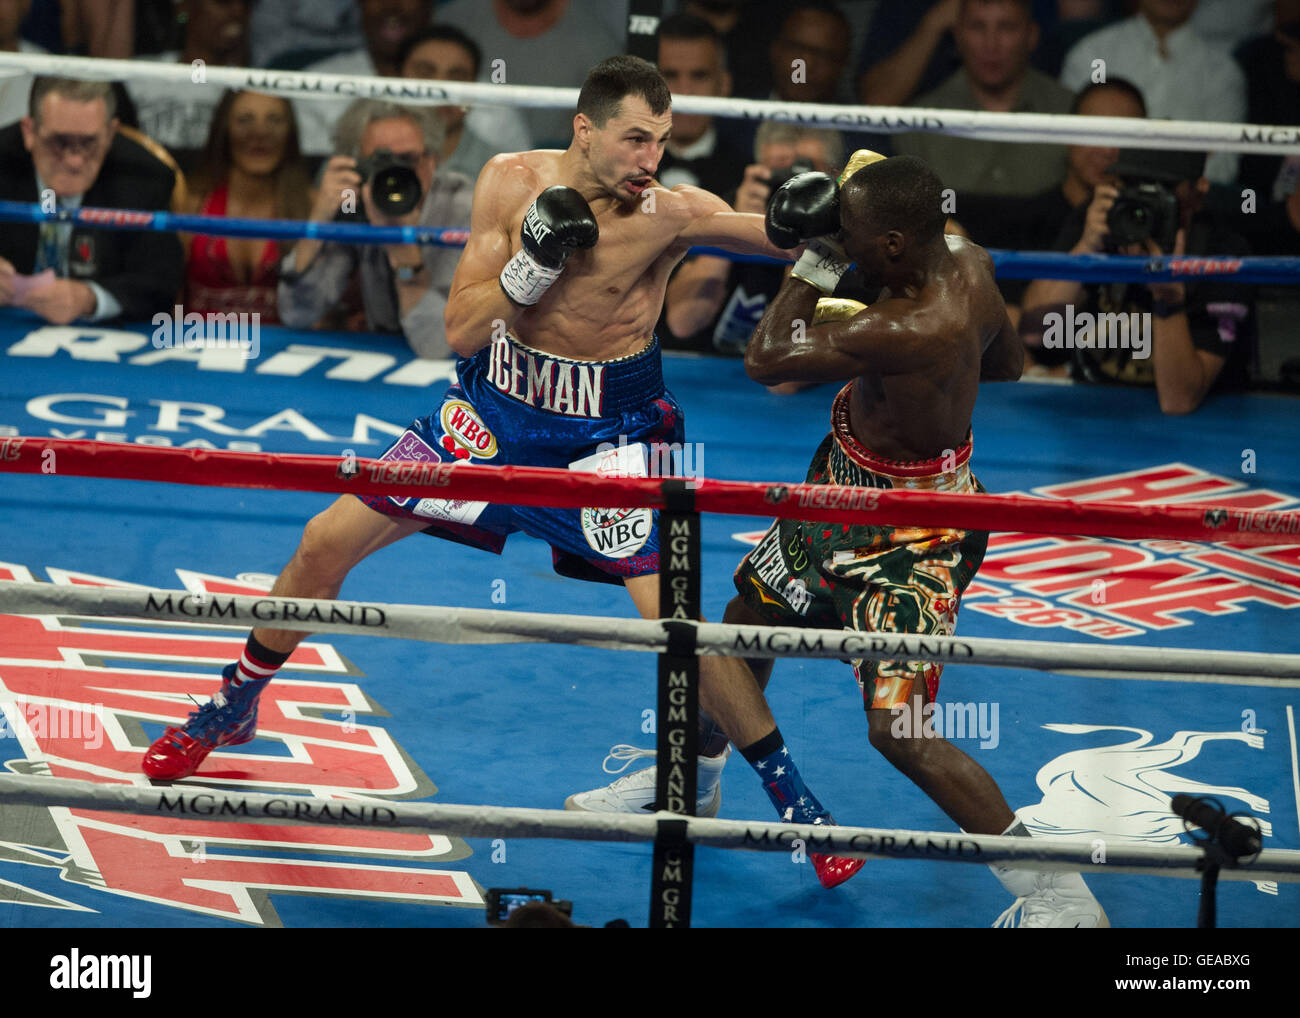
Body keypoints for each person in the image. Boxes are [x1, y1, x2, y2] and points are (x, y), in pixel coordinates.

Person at [141, 55, 863, 888]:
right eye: (635, 138)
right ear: (585, 130)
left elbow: (801, 242)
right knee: (321, 543)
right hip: (491, 417)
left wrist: (829, 221)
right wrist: (535, 264)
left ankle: (800, 805)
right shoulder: (507, 182)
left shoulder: (672, 212)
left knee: (681, 630)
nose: (649, 160)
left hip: (613, 433)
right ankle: (234, 701)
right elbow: (458, 327)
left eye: (661, 141)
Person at [582, 151, 1108, 926]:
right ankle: (692, 778)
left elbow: (766, 360)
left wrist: (816, 262)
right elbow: (1009, 364)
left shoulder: (909, 324)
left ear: (892, 243)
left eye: (850, 233)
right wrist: (917, 394)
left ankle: (1057, 889)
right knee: (745, 626)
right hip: (842, 485)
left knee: (900, 732)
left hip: (911, 536)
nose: (839, 238)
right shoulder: (969, 261)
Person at [1018, 148, 1254, 412]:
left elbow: (1178, 401)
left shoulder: (1221, 253)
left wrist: (1168, 299)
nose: (1144, 197)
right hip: (1091, 408)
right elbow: (1034, 333)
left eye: (1164, 187)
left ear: (1198, 192)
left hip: (1190, 430)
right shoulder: (1101, 220)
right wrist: (1086, 249)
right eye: (1130, 183)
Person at [275, 99, 471, 357]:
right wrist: (318, 224)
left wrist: (402, 249)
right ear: (355, 164)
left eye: (407, 159)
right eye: (381, 161)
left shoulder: (465, 208)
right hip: (380, 362)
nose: (394, 174)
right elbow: (298, 313)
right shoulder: (353, 203)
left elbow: (438, 345)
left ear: (431, 161)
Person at [0, 76, 182, 324]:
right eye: (59, 142)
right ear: (29, 131)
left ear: (110, 134)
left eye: (89, 143)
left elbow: (159, 284)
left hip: (101, 342)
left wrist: (90, 299)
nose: (74, 161)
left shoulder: (143, 176)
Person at [1059, 0, 1246, 185]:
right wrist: (1186, 158)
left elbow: (1223, 166)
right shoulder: (1091, 54)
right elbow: (1070, 147)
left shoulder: (1223, 72)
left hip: (1188, 208)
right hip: (1090, 200)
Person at [182, 90, 312, 324]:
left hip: (283, 354)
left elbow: (324, 305)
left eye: (274, 120)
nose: (260, 134)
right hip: (197, 348)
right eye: (245, 120)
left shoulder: (312, 205)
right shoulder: (191, 202)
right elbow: (169, 296)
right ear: (224, 131)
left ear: (290, 132)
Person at [653, 12, 748, 196]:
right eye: (670, 75)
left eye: (699, 76)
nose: (685, 92)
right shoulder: (620, 168)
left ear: (724, 85)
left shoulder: (745, 179)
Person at [398, 25, 498, 181]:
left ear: (475, 88)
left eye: (457, 77)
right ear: (396, 79)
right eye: (425, 73)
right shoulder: (362, 152)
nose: (441, 89)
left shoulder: (500, 170)